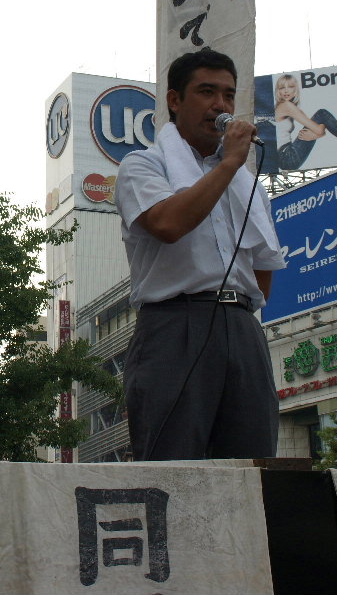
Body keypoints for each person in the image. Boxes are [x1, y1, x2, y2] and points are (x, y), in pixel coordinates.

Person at [115, 48, 286, 461]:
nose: (220, 106)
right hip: (175, 324)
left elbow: (263, 266)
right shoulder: (143, 166)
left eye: (228, 95)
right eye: (206, 92)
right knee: (174, 464)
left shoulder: (248, 182)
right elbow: (169, 225)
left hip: (242, 326)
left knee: (253, 465)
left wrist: (238, 311)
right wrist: (228, 165)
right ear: (175, 101)